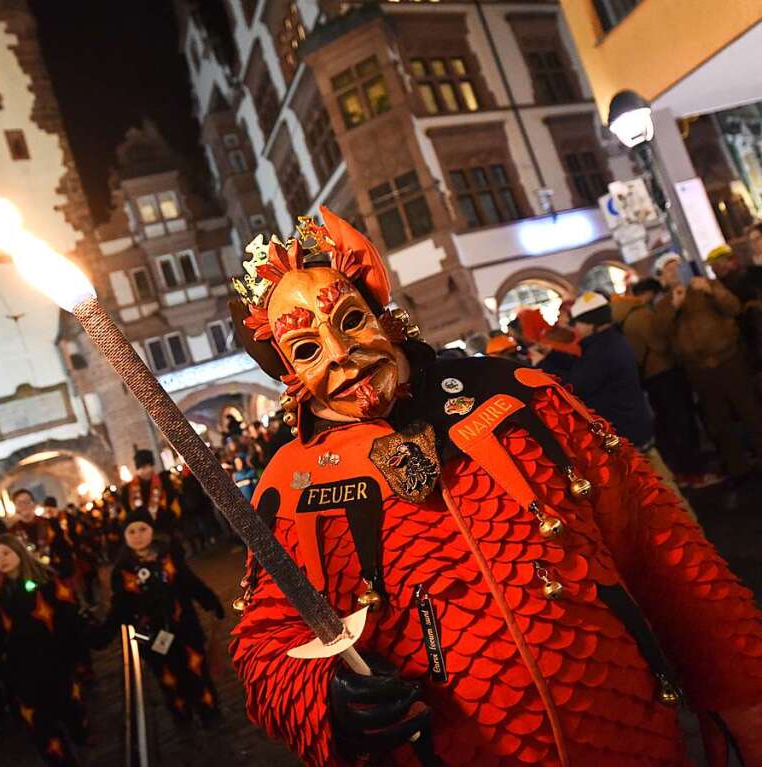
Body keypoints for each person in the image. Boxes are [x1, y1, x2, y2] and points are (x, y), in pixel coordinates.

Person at [226, 206, 762, 765]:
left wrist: (743, 691)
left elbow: (660, 544)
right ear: (291, 375)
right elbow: (267, 640)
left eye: (351, 320)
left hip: (628, 736)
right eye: (308, 349)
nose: (341, 355)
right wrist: (319, 698)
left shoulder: (521, 395)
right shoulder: (293, 485)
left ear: (381, 314)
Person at [0, 535, 90, 766]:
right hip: (23, 670)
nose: (2, 560)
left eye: (5, 553)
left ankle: (79, 735)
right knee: (42, 727)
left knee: (69, 711)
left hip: (54, 661)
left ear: (18, 551)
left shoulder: (45, 578)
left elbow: (67, 616)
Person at [102, 510, 223, 728]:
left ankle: (209, 711)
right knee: (169, 678)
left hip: (185, 628)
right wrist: (104, 633)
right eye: (131, 531)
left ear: (151, 531)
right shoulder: (121, 571)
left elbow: (189, 582)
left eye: (142, 529)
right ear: (125, 536)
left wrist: (210, 601)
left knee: (197, 671)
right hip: (151, 636)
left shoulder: (168, 556)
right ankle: (181, 714)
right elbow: (119, 607)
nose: (137, 535)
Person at [655, 252, 762, 480]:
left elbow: (734, 308)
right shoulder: (665, 304)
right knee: (718, 421)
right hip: (698, 369)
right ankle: (738, 467)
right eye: (668, 270)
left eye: (677, 267)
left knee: (750, 410)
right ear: (663, 277)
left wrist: (712, 290)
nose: (674, 272)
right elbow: (661, 336)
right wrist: (675, 306)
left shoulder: (706, 286)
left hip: (728, 359)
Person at [616, 278, 713, 486]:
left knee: (670, 425)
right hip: (664, 374)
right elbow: (659, 342)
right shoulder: (640, 315)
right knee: (681, 424)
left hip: (650, 379)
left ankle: (683, 472)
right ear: (647, 294)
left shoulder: (623, 320)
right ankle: (693, 472)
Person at [564, 291, 654, 449]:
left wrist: (543, 363)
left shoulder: (600, 351)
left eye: (578, 323)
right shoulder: (612, 339)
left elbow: (576, 387)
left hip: (624, 432)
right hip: (634, 423)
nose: (576, 328)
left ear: (591, 323)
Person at [121, 449, 180, 540]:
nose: (147, 470)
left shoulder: (163, 481)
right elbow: (127, 510)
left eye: (150, 466)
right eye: (144, 467)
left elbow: (172, 501)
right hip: (142, 531)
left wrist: (169, 518)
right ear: (138, 469)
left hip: (164, 526)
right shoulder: (128, 489)